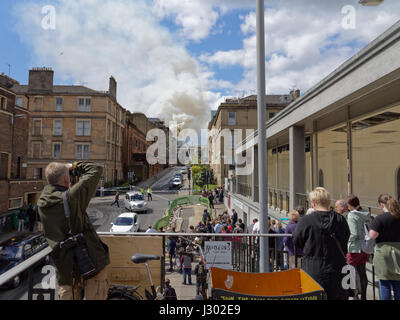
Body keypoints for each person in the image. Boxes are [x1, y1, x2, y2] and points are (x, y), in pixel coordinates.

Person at [37, 161, 110, 300]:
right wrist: (74, 166)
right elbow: (96, 169)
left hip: (65, 269)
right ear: (66, 179)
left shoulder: (41, 203)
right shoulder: (72, 197)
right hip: (90, 261)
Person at [293, 187, 350, 300]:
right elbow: (345, 239)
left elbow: (297, 241)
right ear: (328, 202)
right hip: (337, 269)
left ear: (313, 202)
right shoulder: (340, 219)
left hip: (312, 269)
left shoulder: (305, 221)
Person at [369, 194, 400, 300]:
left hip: (384, 252)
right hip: (398, 252)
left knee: (384, 282)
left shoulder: (380, 218)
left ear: (381, 205)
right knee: (398, 282)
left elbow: (372, 235)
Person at [346, 195, 371, 300]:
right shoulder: (365, 214)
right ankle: (364, 296)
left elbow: (354, 233)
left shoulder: (351, 215)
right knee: (362, 272)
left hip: (354, 247)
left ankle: (355, 296)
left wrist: (346, 240)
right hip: (364, 246)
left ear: (350, 205)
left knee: (352, 272)